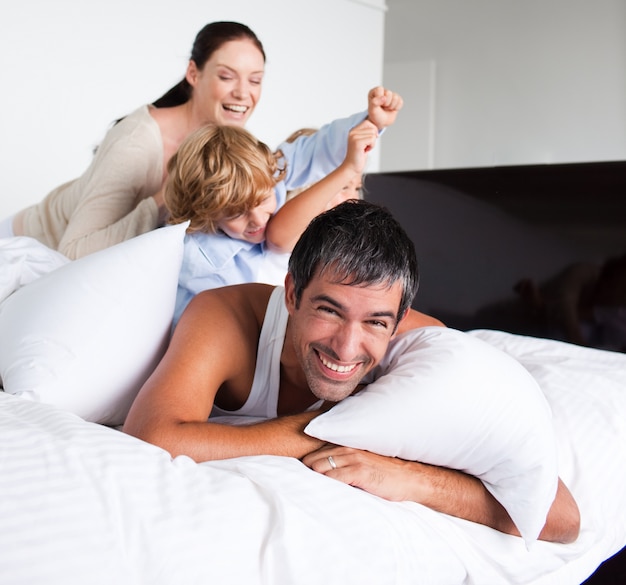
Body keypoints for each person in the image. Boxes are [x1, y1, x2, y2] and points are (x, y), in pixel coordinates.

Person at [123, 199, 580, 544]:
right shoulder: (228, 318)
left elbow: (560, 517)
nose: (346, 345)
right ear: (291, 293)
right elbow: (151, 437)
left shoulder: (424, 350)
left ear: (400, 321)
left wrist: (409, 478)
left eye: (376, 322)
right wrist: (325, 433)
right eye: (328, 310)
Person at [6, 22, 267, 259]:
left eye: (255, 80)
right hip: (27, 246)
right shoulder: (136, 142)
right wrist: (168, 197)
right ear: (193, 74)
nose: (243, 92)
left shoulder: (229, 145)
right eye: (226, 76)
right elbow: (73, 251)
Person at [169, 86, 401, 326]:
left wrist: (371, 121)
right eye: (236, 213)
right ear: (205, 214)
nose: (259, 220)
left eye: (263, 201)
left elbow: (317, 149)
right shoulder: (199, 262)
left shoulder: (268, 172)